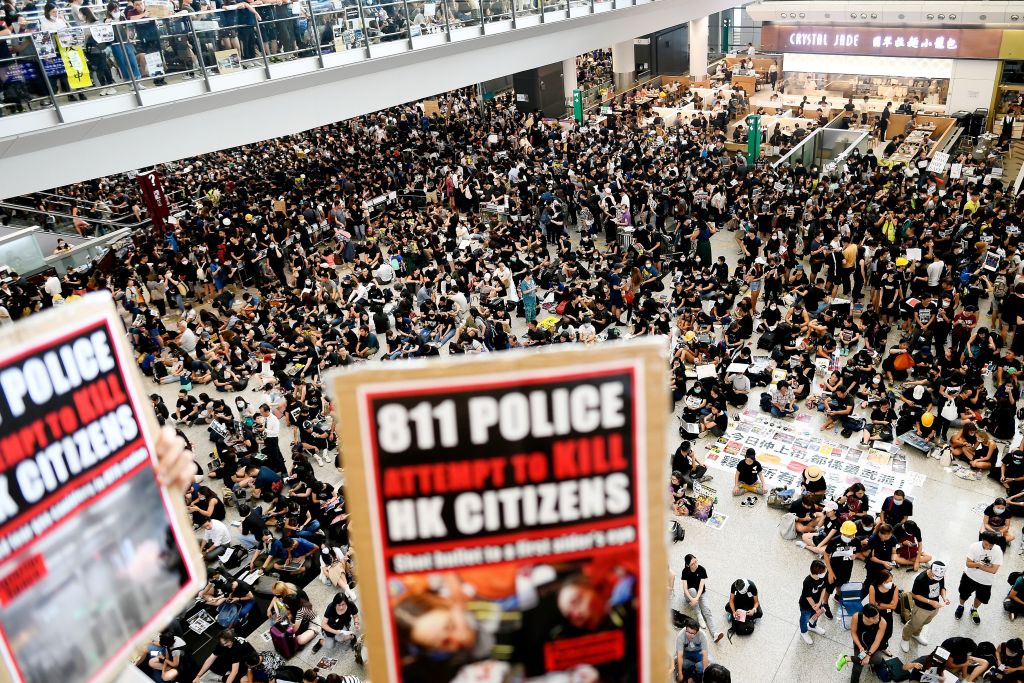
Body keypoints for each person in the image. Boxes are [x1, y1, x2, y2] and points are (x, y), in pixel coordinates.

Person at [955, 532, 1004, 624]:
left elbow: (994, 570)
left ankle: (974, 609)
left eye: (991, 545)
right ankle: (961, 606)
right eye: (986, 544)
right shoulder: (974, 546)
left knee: (980, 598)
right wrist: (978, 564)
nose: (988, 547)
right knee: (963, 594)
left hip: (986, 581)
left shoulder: (998, 551)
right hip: (969, 576)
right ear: (982, 540)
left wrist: (977, 566)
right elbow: (968, 564)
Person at [901, 561, 949, 653]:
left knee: (924, 622)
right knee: (913, 623)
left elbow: (942, 587)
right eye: (935, 577)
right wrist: (930, 602)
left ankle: (916, 634)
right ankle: (905, 638)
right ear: (931, 570)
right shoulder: (920, 579)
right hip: (921, 608)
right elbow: (914, 595)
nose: (937, 579)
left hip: (934, 607)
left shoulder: (940, 575)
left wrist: (944, 597)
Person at [679, 554, 725, 643]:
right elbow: (685, 588)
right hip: (689, 594)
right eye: (692, 563)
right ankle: (698, 614)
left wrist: (696, 598)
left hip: (700, 594)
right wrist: (692, 599)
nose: (695, 564)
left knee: (707, 610)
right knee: (692, 590)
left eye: (696, 561)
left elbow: (701, 587)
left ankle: (714, 633)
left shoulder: (701, 569)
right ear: (688, 565)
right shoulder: (685, 571)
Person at [836, 604, 885, 682]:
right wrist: (860, 647)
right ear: (866, 616)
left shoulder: (882, 622)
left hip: (873, 645)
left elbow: (877, 641)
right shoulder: (856, 617)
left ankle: (847, 658)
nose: (877, 619)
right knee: (858, 666)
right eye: (874, 618)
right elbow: (853, 633)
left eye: (878, 616)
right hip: (860, 643)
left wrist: (868, 655)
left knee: (878, 659)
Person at [798, 559, 829, 644]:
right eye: (823, 572)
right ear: (817, 572)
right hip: (806, 605)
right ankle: (803, 632)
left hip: (817, 603)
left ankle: (812, 626)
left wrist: (819, 603)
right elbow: (808, 597)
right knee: (805, 618)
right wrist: (815, 607)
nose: (825, 573)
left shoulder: (822, 577)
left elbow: (824, 588)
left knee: (815, 616)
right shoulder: (807, 582)